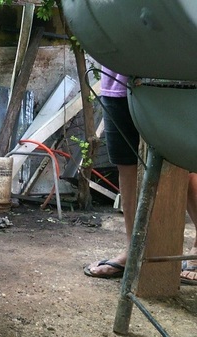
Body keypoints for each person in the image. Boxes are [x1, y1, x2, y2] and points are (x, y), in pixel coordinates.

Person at [83, 67, 197, 284]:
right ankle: (133, 249)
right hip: (117, 81)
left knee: (187, 164)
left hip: (173, 78)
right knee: (126, 165)